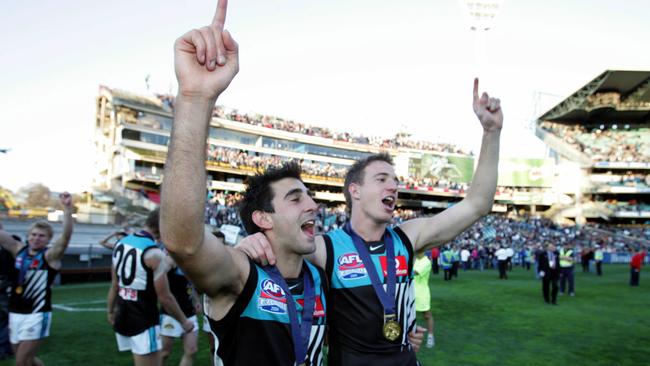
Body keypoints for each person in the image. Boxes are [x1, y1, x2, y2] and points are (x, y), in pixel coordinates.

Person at [239, 78, 503, 365]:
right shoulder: (326, 248)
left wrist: (491, 132)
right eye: (382, 179)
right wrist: (248, 243)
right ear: (355, 191)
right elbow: (278, 244)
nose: (393, 187)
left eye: (395, 180)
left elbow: (478, 204)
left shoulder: (407, 237)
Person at [160, 3, 328, 363]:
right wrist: (194, 98)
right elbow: (183, 244)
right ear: (263, 219)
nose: (313, 205)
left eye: (310, 197)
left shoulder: (319, 279)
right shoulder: (241, 276)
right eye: (296, 198)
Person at [107, 209, 194, 366]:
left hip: (124, 312)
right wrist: (184, 321)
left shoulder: (122, 242)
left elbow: (114, 283)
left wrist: (110, 310)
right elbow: (165, 297)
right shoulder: (154, 253)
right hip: (143, 318)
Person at [0, 193, 74, 366]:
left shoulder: (50, 256)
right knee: (27, 358)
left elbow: (66, 236)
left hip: (36, 314)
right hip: (15, 313)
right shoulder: (18, 250)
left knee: (21, 361)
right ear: (28, 235)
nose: (36, 238)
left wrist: (67, 209)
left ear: (48, 239)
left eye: (41, 236)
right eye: (33, 234)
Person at [159, 254, 200, 366]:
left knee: (191, 351)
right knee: (164, 353)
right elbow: (158, 273)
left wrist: (196, 300)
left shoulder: (189, 260)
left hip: (189, 312)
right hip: (171, 313)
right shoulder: (171, 258)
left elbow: (189, 283)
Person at [0, 222, 16, 361]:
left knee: (4, 317)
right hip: (7, 285)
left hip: (5, 284)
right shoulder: (11, 243)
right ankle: (4, 348)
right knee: (9, 317)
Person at [413, 252, 435, 349]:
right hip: (410, 292)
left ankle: (430, 336)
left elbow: (415, 272)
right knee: (409, 316)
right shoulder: (414, 259)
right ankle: (410, 337)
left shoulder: (427, 261)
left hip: (422, 293)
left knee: (427, 315)